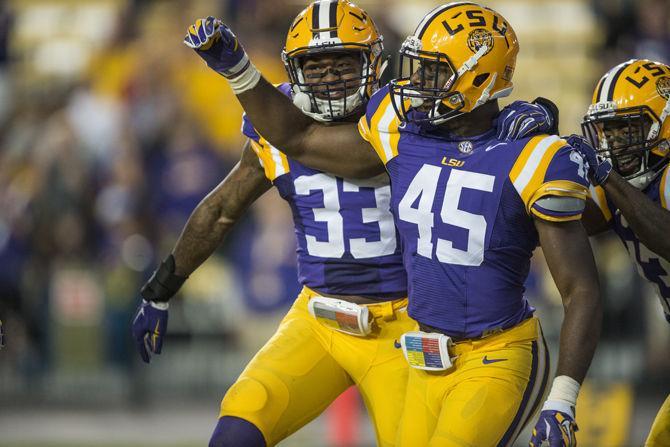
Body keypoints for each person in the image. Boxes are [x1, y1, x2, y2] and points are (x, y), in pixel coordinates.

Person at [133, 2, 553, 446]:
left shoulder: (410, 117)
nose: (330, 78)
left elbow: (474, 118)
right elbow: (222, 208)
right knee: (241, 419)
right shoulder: (276, 128)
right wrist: (161, 289)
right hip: (317, 318)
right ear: (295, 71)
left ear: (373, 62)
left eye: (343, 63)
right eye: (316, 67)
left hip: (406, 325)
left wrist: (519, 117)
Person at [571, 58, 670, 447]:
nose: (616, 144)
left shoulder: (628, 183)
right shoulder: (622, 183)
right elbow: (574, 222)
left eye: (628, 129)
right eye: (608, 132)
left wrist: (607, 176)